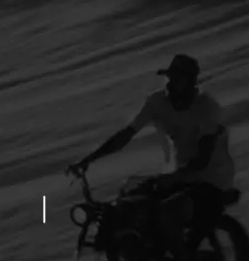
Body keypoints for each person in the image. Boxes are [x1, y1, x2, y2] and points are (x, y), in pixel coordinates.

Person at [68, 54, 235, 227]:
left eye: (177, 80)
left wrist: (174, 177)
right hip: (178, 177)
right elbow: (126, 134)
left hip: (212, 179)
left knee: (166, 213)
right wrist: (88, 160)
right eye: (170, 78)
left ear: (190, 83)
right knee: (130, 203)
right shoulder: (157, 102)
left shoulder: (206, 107)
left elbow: (203, 159)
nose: (170, 84)